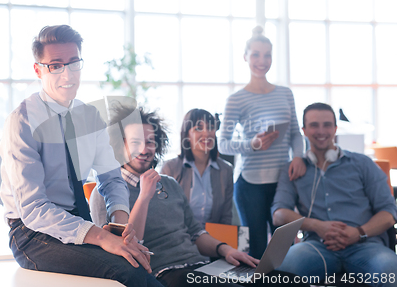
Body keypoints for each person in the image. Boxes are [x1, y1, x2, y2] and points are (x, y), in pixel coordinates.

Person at [0, 25, 161, 287]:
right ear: (38, 70)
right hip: (32, 233)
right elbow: (33, 209)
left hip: (78, 222)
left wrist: (121, 223)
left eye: (74, 63)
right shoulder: (22, 122)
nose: (67, 73)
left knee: (138, 261)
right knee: (128, 272)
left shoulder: (89, 116)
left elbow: (111, 178)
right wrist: (101, 237)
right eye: (56, 65)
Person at [90, 104, 308, 287]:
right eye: (136, 142)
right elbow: (123, 250)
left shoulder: (170, 184)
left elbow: (195, 232)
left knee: (285, 280)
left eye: (150, 141)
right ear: (121, 145)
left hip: (201, 265)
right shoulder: (106, 193)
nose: (145, 149)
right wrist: (144, 196)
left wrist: (226, 250)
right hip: (163, 272)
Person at [272, 102, 397, 287]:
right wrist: (316, 225)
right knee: (283, 270)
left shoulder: (362, 163)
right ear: (304, 130)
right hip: (316, 246)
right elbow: (279, 214)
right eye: (314, 125)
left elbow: (389, 212)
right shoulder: (294, 169)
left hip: (366, 245)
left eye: (327, 125)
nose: (321, 131)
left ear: (335, 128)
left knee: (390, 270)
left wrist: (358, 233)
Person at [218, 26, 306, 259]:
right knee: (257, 249)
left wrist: (298, 156)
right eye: (256, 54)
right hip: (250, 184)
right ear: (245, 56)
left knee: (286, 247)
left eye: (267, 55)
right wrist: (252, 144)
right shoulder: (236, 100)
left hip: (284, 182)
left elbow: (296, 133)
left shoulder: (285, 93)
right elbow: (223, 144)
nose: (262, 60)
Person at [161, 108, 234, 226]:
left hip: (213, 239)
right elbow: (165, 214)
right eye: (198, 128)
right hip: (180, 237)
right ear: (187, 135)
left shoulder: (226, 170)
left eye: (210, 127)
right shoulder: (170, 168)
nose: (207, 133)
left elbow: (226, 218)